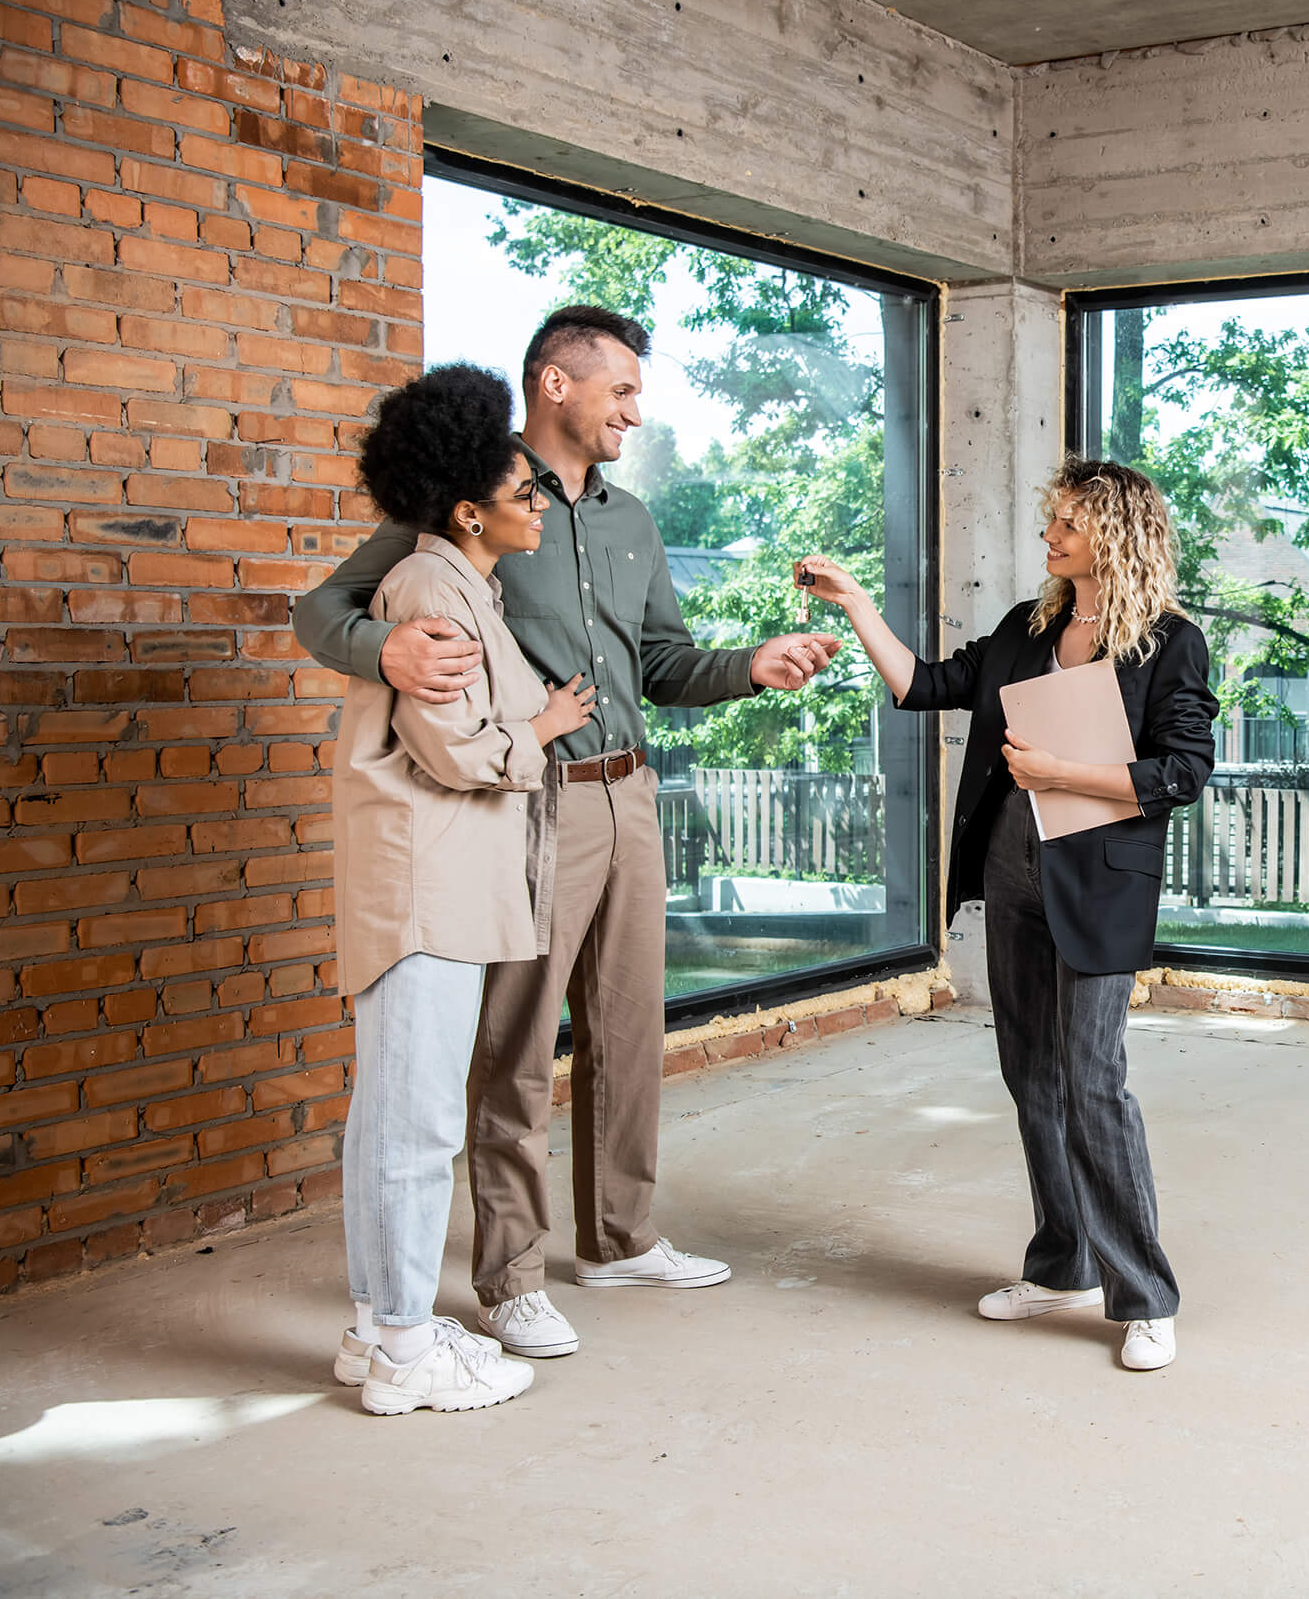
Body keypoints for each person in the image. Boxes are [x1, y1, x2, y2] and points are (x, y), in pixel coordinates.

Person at [294, 306, 841, 1360]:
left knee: (631, 1027)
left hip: (629, 790)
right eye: (622, 390)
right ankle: (507, 1277)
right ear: (556, 384)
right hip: (525, 793)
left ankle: (622, 1235)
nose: (637, 409)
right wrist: (383, 651)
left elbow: (666, 662)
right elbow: (324, 606)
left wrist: (750, 665)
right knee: (516, 1039)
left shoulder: (633, 520)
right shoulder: (472, 501)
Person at [796, 459, 1215, 1371]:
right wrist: (858, 600)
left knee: (1094, 1079)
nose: (1050, 534)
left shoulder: (1169, 643)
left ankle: (1143, 1294)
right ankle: (1061, 1262)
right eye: (1051, 517)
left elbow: (1184, 770)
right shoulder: (1028, 632)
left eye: (1068, 521)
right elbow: (922, 684)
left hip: (1099, 885)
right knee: (1032, 1075)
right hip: (1012, 874)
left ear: (1117, 532)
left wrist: (1068, 775)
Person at [329, 364, 598, 1414]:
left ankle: (378, 1326)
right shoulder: (431, 589)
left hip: (440, 885)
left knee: (395, 1118)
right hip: (423, 889)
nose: (538, 501)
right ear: (466, 507)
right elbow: (454, 750)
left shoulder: (461, 583)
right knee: (416, 1126)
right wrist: (538, 730)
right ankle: (402, 1348)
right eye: (522, 490)